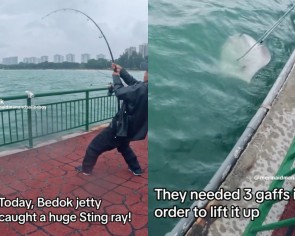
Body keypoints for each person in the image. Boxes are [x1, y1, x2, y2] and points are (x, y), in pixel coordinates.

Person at [75, 63, 148, 176]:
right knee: (123, 145)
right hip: (132, 127)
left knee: (94, 147)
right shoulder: (146, 88)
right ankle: (136, 169)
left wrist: (115, 76)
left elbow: (119, 93)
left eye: (147, 72)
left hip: (121, 127)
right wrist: (121, 71)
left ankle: (86, 169)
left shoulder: (143, 88)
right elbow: (134, 83)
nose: (145, 74)